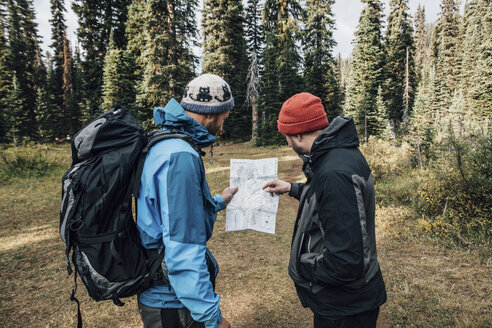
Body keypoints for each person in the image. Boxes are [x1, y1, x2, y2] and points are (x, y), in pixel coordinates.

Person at [263, 92, 387, 328]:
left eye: (286, 137)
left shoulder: (333, 172)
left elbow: (346, 262)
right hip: (349, 302)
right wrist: (291, 188)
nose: (287, 143)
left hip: (346, 306)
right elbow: (326, 200)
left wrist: (303, 266)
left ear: (298, 135)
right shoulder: (337, 154)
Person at [136, 74, 237, 328]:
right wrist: (213, 318)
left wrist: (219, 201)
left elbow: (169, 212)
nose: (224, 123)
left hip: (165, 295)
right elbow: (183, 249)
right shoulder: (180, 157)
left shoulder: (165, 143)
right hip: (172, 303)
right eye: (225, 115)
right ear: (212, 113)